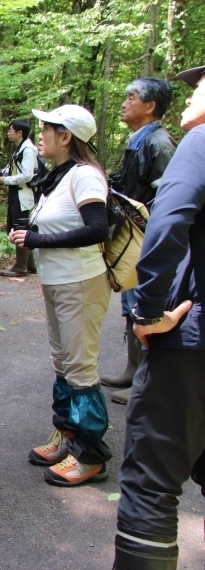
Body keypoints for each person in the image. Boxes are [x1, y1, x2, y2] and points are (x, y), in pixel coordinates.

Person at [112, 64, 205, 570]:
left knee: (152, 481)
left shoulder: (196, 141)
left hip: (191, 341)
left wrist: (148, 310)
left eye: (201, 84)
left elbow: (168, 219)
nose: (192, 94)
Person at [8, 105, 112, 487]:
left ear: (65, 136)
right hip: (57, 283)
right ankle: (67, 436)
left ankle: (91, 456)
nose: (42, 136)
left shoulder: (85, 175)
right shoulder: (60, 176)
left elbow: (96, 229)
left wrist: (37, 239)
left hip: (80, 282)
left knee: (80, 367)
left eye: (47, 130)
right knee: (63, 363)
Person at [102, 78, 177, 406]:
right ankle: (133, 369)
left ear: (150, 106)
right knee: (130, 305)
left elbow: (170, 197)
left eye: (130, 97)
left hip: (146, 237)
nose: (123, 103)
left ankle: (146, 380)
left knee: (145, 307)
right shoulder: (138, 140)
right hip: (133, 236)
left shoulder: (159, 144)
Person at [0, 119, 39, 276]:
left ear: (19, 133)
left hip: (23, 193)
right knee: (18, 226)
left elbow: (27, 175)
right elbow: (13, 167)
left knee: (21, 228)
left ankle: (20, 266)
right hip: (16, 192)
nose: (8, 133)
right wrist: (1, 173)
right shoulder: (19, 149)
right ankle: (30, 264)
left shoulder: (27, 150)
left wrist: (5, 180)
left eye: (10, 130)